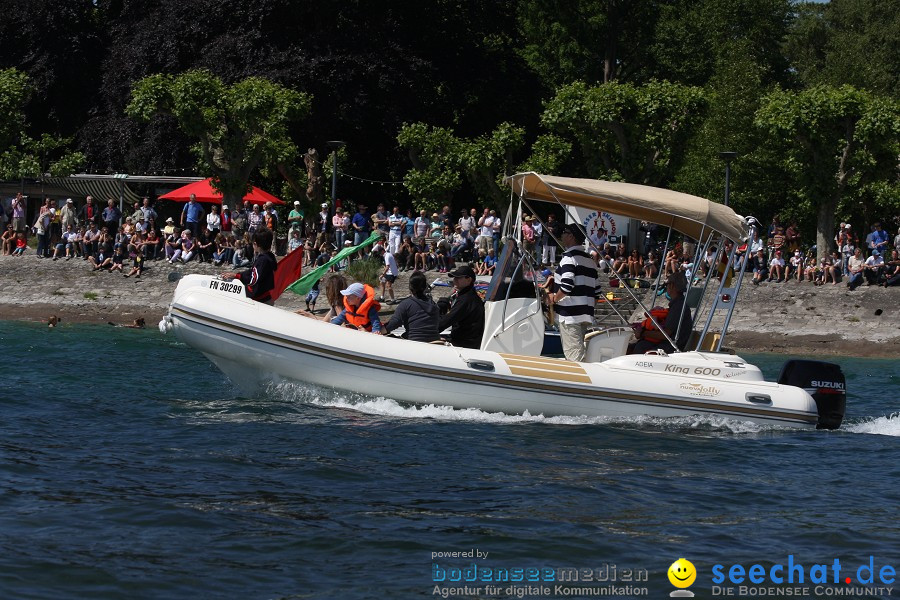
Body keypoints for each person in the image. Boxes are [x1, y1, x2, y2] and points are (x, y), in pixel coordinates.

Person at [547, 224, 600, 361]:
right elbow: (597, 292)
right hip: (585, 315)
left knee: (575, 357)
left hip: (570, 316)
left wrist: (554, 298)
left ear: (571, 236)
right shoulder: (590, 261)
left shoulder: (569, 258)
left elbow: (567, 286)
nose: (562, 235)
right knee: (579, 352)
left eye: (565, 232)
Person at [631, 271, 693, 354]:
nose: (666, 287)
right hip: (666, 345)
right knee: (634, 346)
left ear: (671, 286)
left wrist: (642, 333)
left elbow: (665, 335)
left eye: (666, 285)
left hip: (668, 349)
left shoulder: (678, 307)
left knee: (636, 348)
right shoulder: (679, 305)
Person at [222, 228, 278, 304]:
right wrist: (237, 275)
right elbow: (253, 271)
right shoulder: (269, 256)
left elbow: (253, 279)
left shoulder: (262, 260)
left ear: (255, 244)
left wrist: (239, 277)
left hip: (260, 301)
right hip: (265, 297)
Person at [384, 271, 441, 342]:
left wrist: (380, 330)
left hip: (414, 341)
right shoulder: (434, 304)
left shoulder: (406, 304)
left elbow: (394, 323)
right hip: (434, 341)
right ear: (425, 287)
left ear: (410, 288)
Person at [438, 264, 484, 349]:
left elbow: (447, 320)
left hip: (464, 343)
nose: (454, 280)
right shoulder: (469, 296)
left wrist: (429, 331)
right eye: (454, 277)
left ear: (469, 280)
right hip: (468, 340)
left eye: (458, 278)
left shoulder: (466, 299)